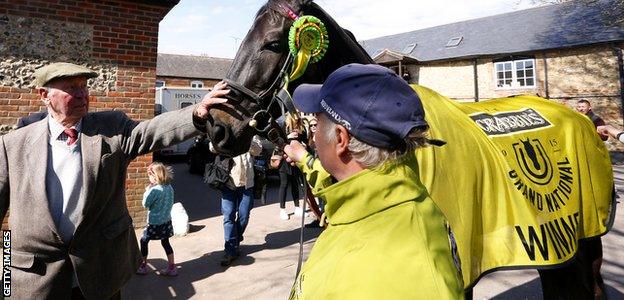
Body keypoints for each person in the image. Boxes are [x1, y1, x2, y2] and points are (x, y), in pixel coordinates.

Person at [0, 62, 229, 299]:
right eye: (71, 87)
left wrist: (197, 112)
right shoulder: (13, 144)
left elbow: (150, 131)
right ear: (44, 95)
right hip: (35, 280)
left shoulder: (111, 127)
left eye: (84, 86)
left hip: (100, 272)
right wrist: (6, 277)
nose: (82, 94)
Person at [283, 63, 463, 298]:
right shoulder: (400, 193)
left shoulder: (380, 274)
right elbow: (347, 183)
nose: (313, 136)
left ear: (340, 138)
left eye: (316, 124)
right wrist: (304, 159)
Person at [218, 136, 262, 266]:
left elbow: (258, 150)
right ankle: (230, 250)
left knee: (244, 216)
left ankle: (235, 239)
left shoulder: (251, 133)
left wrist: (246, 139)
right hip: (228, 182)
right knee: (228, 216)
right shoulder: (226, 130)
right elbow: (211, 147)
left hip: (247, 183)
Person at [136, 162, 177, 276]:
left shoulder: (154, 190)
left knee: (144, 241)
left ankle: (143, 266)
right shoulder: (169, 187)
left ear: (155, 176)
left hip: (154, 223)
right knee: (165, 242)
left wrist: (147, 191)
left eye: (149, 175)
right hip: (166, 221)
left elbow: (145, 204)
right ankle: (172, 267)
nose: (149, 178)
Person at [276, 113, 306, 220]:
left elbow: (305, 139)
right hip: (284, 160)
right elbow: (276, 141)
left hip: (296, 159)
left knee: (295, 183)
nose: (297, 117)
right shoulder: (282, 126)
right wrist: (288, 137)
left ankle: (297, 207)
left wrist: (303, 143)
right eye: (294, 115)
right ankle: (282, 209)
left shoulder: (301, 127)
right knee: (284, 184)